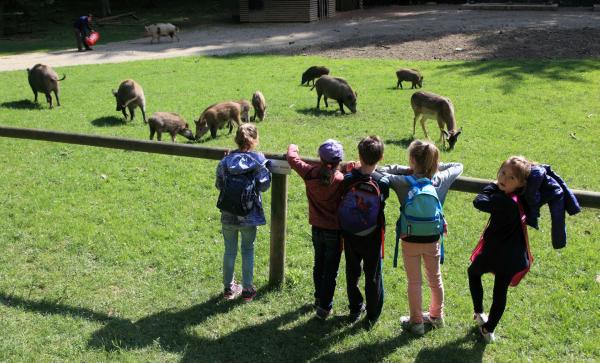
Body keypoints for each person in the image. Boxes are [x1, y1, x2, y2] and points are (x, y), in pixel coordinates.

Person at [379, 140, 463, 335]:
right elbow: (459, 166)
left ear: (412, 160)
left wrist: (403, 169)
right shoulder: (440, 179)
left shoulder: (402, 182)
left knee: (414, 282)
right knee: (435, 278)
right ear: (434, 162)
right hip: (433, 237)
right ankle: (436, 316)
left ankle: (416, 322)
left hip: (410, 238)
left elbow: (381, 171)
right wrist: (434, 167)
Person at [468, 156, 534, 343]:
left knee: (473, 272)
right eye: (502, 173)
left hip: (495, 254)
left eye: (511, 178)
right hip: (513, 256)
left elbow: (479, 201)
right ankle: (488, 330)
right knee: (500, 292)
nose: (503, 179)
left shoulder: (502, 200)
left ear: (521, 183)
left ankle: (480, 313)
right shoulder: (520, 198)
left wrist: (491, 186)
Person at [286, 140, 345, 319]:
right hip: (335, 231)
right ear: (338, 161)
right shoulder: (342, 179)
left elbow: (292, 158)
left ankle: (319, 299)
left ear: (320, 158)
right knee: (331, 270)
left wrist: (294, 146)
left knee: (318, 264)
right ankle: (325, 308)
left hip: (317, 229)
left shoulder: (309, 173)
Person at [215, 124, 271, 301]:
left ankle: (228, 289)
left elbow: (219, 185)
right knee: (247, 249)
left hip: (228, 214)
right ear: (254, 140)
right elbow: (264, 186)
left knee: (229, 250)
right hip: (249, 215)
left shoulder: (226, 160)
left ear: (236, 139)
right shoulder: (258, 160)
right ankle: (247, 290)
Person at [340, 135, 389, 327]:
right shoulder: (382, 181)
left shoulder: (348, 178)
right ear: (381, 157)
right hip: (372, 234)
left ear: (359, 155)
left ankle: (354, 307)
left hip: (350, 232)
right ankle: (372, 314)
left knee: (352, 271)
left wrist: (349, 169)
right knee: (373, 273)